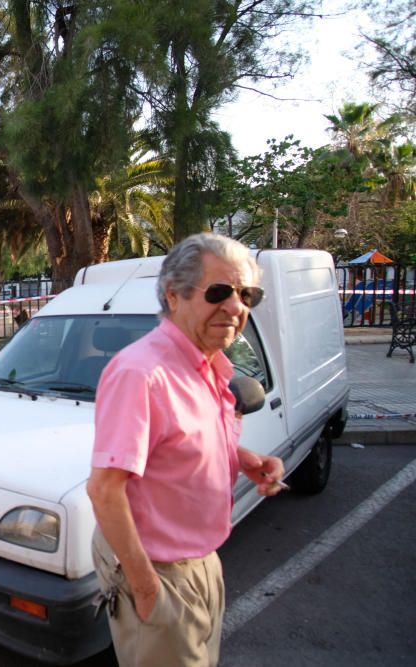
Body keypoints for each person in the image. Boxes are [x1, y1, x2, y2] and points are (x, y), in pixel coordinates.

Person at [86, 233, 286, 666]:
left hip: (202, 559)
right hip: (160, 572)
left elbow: (178, 442)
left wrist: (242, 460)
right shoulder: (142, 373)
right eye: (220, 292)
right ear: (173, 296)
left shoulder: (207, 363)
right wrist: (146, 589)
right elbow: (104, 490)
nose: (236, 307)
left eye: (247, 294)